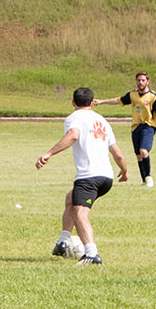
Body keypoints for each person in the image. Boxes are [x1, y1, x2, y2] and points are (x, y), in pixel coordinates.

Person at [36, 87, 129, 265]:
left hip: (88, 177)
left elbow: (72, 135)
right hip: (106, 178)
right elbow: (117, 153)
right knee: (71, 199)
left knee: (80, 213)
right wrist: (124, 171)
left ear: (73, 103)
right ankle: (62, 242)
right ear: (93, 103)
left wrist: (49, 153)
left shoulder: (74, 118)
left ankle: (91, 254)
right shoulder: (102, 121)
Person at [91, 71, 156, 187]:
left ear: (148, 81)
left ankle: (148, 177)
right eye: (139, 80)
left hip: (148, 127)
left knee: (144, 151)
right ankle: (143, 180)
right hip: (135, 127)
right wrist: (102, 102)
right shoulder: (133, 95)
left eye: (143, 80)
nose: (140, 82)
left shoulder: (153, 97)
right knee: (138, 155)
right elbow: (118, 100)